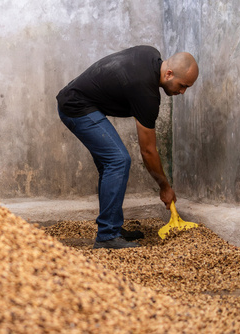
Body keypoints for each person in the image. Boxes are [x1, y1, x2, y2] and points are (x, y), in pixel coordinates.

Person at [56, 45, 199, 249]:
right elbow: (148, 151)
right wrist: (165, 187)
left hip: (79, 99)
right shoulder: (146, 93)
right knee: (118, 160)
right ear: (168, 74)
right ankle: (107, 235)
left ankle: (111, 225)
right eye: (182, 85)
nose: (182, 92)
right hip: (75, 106)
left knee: (111, 164)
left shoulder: (151, 54)